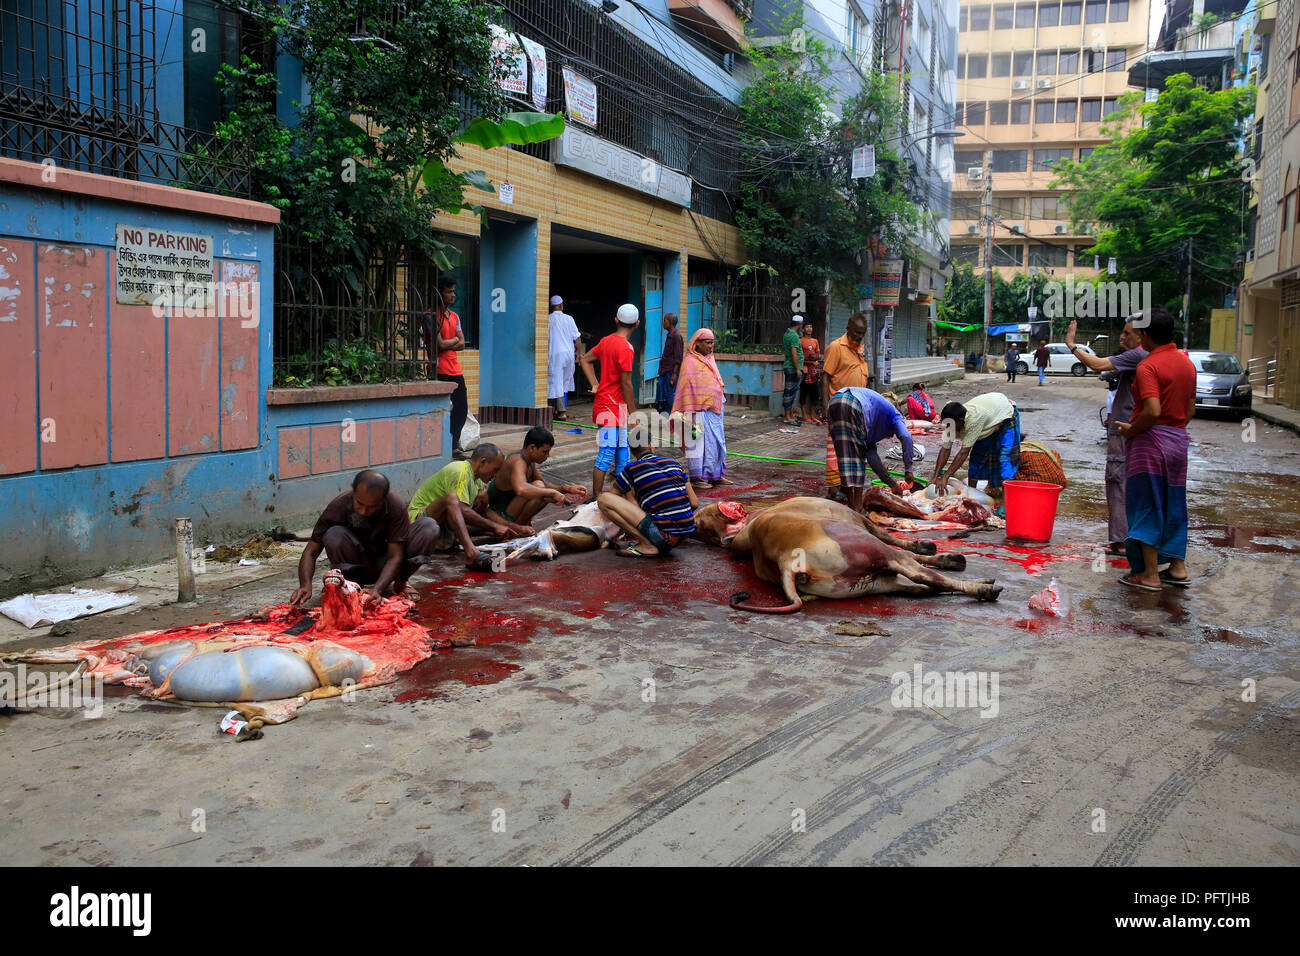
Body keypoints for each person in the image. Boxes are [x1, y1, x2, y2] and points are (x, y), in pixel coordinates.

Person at [1116, 307, 1195, 591]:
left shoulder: (1148, 366)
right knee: (1174, 503)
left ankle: (1149, 574)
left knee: (1146, 505)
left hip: (1150, 443)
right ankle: (1177, 567)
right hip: (1178, 440)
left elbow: (1152, 410)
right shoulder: (1186, 363)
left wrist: (1131, 429)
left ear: (1146, 335)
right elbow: (1189, 409)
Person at [291, 470, 438, 605]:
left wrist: (378, 590)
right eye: (360, 504)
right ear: (354, 493)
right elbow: (311, 550)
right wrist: (305, 585)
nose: (364, 511)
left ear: (383, 499)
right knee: (334, 534)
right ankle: (350, 586)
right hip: (357, 564)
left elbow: (396, 556)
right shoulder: (339, 505)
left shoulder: (395, 505)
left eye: (372, 507)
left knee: (429, 527)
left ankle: (401, 582)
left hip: (389, 564)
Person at [1065, 317, 1147, 554]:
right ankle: (1129, 538)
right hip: (1133, 426)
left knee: (1117, 479)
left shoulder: (1137, 355)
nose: (1122, 337)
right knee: (1128, 482)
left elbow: (1097, 364)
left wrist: (1072, 344)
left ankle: (1121, 541)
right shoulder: (1147, 356)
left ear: (1142, 336)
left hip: (1125, 427)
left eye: (1127, 333)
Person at [408, 444, 524, 571]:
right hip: (418, 524)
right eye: (495, 470)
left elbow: (485, 512)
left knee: (488, 516)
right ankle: (471, 553)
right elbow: (461, 508)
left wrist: (512, 527)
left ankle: (491, 536)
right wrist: (493, 526)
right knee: (452, 499)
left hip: (443, 528)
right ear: (483, 462)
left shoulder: (478, 479)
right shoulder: (459, 470)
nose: (495, 475)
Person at [597, 440, 699, 558]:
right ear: (651, 446)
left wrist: (628, 491)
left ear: (632, 451)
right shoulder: (674, 463)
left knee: (603, 499)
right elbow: (694, 503)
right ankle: (661, 536)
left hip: (662, 536)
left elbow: (612, 496)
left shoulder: (631, 469)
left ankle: (646, 544)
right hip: (685, 534)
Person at [580, 303, 639, 498]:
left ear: (616, 321)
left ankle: (622, 497)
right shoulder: (627, 348)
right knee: (609, 455)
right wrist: (634, 414)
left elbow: (585, 360)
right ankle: (596, 497)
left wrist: (596, 384)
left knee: (622, 454)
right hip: (612, 408)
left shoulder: (606, 341)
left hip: (609, 405)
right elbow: (626, 384)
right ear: (637, 324)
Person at [827, 386, 915, 512]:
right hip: (853, 403)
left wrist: (891, 484)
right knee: (857, 460)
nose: (889, 436)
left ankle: (852, 505)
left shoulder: (873, 418)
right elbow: (906, 436)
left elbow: (873, 458)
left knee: (844, 456)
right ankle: (857, 506)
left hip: (834, 401)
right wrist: (909, 470)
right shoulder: (896, 416)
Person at [930, 392, 1022, 508]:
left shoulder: (974, 420)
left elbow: (963, 452)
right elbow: (945, 449)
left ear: (961, 421)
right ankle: (971, 496)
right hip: (988, 416)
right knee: (977, 458)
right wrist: (935, 475)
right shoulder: (951, 423)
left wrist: (946, 476)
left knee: (1005, 458)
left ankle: (1004, 504)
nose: (949, 429)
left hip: (1005, 414)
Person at [486, 426, 587, 528]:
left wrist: (568, 489)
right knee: (540, 488)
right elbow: (521, 489)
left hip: (510, 509)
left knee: (542, 488)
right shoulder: (518, 461)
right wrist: (552, 493)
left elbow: (544, 485)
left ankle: (520, 525)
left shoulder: (529, 462)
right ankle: (516, 528)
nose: (547, 456)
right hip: (498, 515)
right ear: (532, 448)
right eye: (544, 452)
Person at [820, 313, 873, 498]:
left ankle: (845, 486)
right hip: (839, 405)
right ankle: (833, 488)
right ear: (848, 329)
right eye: (857, 332)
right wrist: (825, 405)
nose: (859, 336)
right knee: (836, 450)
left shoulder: (860, 348)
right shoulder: (836, 347)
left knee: (853, 450)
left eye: (863, 333)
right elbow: (825, 376)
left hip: (858, 407)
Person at [672, 328, 730, 489]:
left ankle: (715, 475)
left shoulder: (711, 359)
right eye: (708, 342)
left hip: (714, 411)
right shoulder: (689, 361)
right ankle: (697, 478)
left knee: (717, 442)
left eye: (712, 343)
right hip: (696, 411)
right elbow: (686, 387)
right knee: (697, 441)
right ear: (697, 343)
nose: (711, 346)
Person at [430, 277, 469, 456]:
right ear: (439, 294)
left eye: (453, 291)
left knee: (462, 408)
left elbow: (462, 344)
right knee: (441, 409)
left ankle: (453, 445)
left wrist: (449, 341)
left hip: (455, 368)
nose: (453, 295)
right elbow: (439, 345)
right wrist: (452, 341)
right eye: (449, 291)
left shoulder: (454, 316)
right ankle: (441, 445)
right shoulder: (431, 315)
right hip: (439, 369)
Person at [546, 295, 581, 420]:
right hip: (569, 354)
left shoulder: (548, 319)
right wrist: (580, 353)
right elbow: (577, 338)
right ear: (561, 305)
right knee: (564, 381)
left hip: (555, 354)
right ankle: (556, 410)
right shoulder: (569, 318)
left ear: (552, 306)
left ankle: (561, 412)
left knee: (556, 382)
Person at [656, 313, 684, 416]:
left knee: (669, 396)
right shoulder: (670, 336)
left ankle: (674, 417)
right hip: (665, 371)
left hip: (670, 372)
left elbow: (678, 357)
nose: (663, 323)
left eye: (665, 320)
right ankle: (668, 417)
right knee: (662, 394)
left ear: (670, 322)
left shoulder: (676, 336)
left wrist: (674, 374)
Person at [780, 314, 805, 426]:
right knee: (790, 392)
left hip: (789, 366)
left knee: (789, 391)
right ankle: (787, 417)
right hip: (792, 367)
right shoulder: (794, 336)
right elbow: (794, 353)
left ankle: (789, 416)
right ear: (799, 324)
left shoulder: (787, 334)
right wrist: (798, 369)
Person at [798, 321, 823, 424]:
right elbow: (800, 357)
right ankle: (804, 415)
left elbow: (818, 354)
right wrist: (811, 360)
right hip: (804, 369)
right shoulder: (800, 341)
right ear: (803, 329)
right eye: (807, 327)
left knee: (815, 393)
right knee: (803, 392)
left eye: (811, 327)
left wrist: (816, 358)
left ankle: (813, 415)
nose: (809, 329)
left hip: (813, 370)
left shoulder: (815, 341)